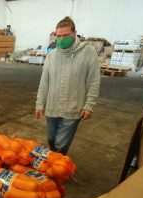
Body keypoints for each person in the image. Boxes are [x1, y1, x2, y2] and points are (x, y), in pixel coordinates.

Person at [35, 16, 100, 155]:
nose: (62, 39)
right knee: (51, 139)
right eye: (59, 36)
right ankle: (56, 162)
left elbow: (93, 80)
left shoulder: (88, 52)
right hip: (52, 107)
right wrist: (39, 103)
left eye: (66, 35)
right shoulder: (51, 55)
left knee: (61, 144)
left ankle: (58, 169)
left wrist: (89, 105)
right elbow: (44, 81)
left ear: (75, 33)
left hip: (73, 107)